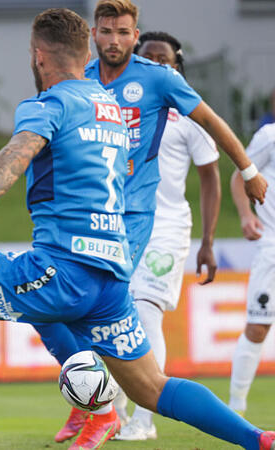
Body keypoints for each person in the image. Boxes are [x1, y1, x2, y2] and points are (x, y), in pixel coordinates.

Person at [0, 8, 275, 450]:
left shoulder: (50, 104)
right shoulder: (114, 110)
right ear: (87, 53)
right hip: (111, 278)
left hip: (62, 267)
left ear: (39, 56)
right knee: (151, 387)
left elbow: (19, 150)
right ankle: (256, 439)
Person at [28, 1, 268, 445]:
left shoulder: (158, 79)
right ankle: (97, 407)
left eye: (123, 32)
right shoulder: (78, 79)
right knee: (63, 311)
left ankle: (139, 417)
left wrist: (251, 172)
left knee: (138, 312)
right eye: (106, 32)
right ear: (93, 35)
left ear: (135, 35)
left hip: (149, 220)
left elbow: (213, 127)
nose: (114, 40)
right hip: (93, 217)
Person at [111, 30, 221, 441]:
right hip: (119, 226)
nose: (157, 64)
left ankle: (144, 420)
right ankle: (112, 413)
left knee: (145, 313)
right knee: (112, 317)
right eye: (149, 58)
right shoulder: (119, 106)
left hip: (167, 228)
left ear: (177, 68)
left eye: (165, 60)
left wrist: (208, 241)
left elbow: (210, 177)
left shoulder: (190, 114)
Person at [228, 122, 275, 417]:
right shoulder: (270, 136)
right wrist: (246, 215)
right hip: (271, 246)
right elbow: (238, 177)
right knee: (258, 327)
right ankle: (236, 408)